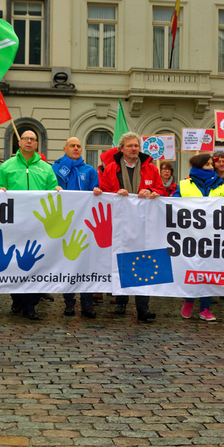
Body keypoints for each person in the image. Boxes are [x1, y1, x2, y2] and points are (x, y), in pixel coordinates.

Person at [99, 132, 164, 321]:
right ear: (121, 149)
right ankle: (121, 300)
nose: (134, 149)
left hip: (145, 223)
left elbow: (161, 189)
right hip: (119, 221)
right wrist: (115, 193)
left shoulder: (151, 168)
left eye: (136, 145)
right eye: (130, 146)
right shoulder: (111, 168)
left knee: (144, 261)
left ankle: (143, 307)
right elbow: (103, 191)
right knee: (120, 257)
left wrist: (152, 191)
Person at [0, 129, 60, 320]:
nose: (29, 142)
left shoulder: (46, 168)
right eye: (26, 139)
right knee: (15, 263)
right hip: (14, 222)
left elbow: (52, 188)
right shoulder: (7, 166)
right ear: (20, 142)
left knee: (34, 263)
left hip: (37, 224)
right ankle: (17, 300)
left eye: (33, 140)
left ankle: (30, 305)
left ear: (36, 144)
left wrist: (56, 189)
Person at [172, 153, 224, 321]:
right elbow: (172, 205)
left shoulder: (221, 187)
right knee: (192, 271)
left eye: (212, 164)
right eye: (208, 165)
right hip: (189, 236)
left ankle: (205, 308)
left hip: (212, 237)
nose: (212, 167)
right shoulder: (183, 185)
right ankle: (188, 302)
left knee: (209, 273)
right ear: (198, 166)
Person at [52, 137, 100, 318]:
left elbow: (96, 190)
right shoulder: (55, 169)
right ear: (65, 148)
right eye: (72, 145)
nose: (76, 148)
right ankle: (69, 303)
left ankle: (87, 304)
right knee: (68, 263)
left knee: (86, 264)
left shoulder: (89, 170)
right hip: (64, 223)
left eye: (79, 146)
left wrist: (97, 191)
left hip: (84, 223)